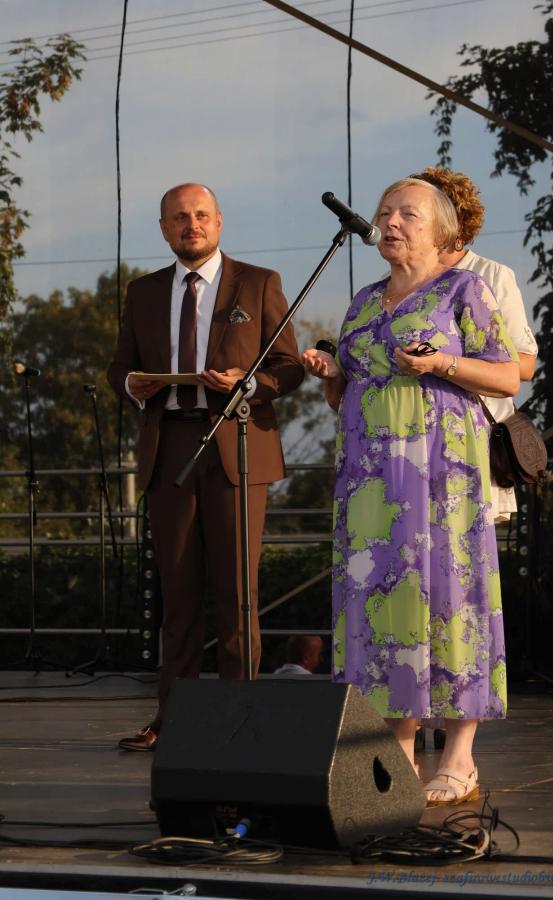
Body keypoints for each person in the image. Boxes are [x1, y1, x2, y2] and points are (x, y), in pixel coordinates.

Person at [303, 178, 520, 806]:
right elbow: (346, 394)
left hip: (441, 475)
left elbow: (508, 375)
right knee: (384, 606)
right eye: (385, 212)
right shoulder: (364, 301)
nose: (391, 222)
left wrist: (441, 363)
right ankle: (396, 752)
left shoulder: (465, 289)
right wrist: (331, 374)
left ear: (441, 230)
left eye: (408, 214)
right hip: (371, 480)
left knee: (450, 600)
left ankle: (459, 756)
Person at [108, 183, 304, 751]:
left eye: (200, 215)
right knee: (178, 597)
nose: (190, 224)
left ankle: (240, 719)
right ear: (164, 228)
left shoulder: (258, 283)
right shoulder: (143, 292)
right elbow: (120, 367)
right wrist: (132, 384)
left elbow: (288, 366)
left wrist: (250, 384)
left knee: (237, 595)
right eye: (179, 217)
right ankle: (173, 719)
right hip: (168, 445)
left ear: (218, 222)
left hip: (236, 443)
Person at [412, 166, 538, 523]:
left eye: (416, 211)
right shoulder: (398, 283)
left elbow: (524, 365)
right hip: (414, 441)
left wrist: (443, 361)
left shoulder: (492, 275)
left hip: (473, 443)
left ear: (451, 221)